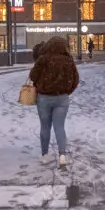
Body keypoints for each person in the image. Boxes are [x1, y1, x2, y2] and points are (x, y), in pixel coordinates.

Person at [28, 37, 79, 168]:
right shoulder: (68, 60)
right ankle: (62, 156)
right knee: (59, 127)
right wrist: (67, 91)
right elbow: (75, 80)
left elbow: (33, 76)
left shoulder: (43, 59)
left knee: (45, 127)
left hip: (44, 98)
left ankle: (45, 155)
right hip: (62, 98)